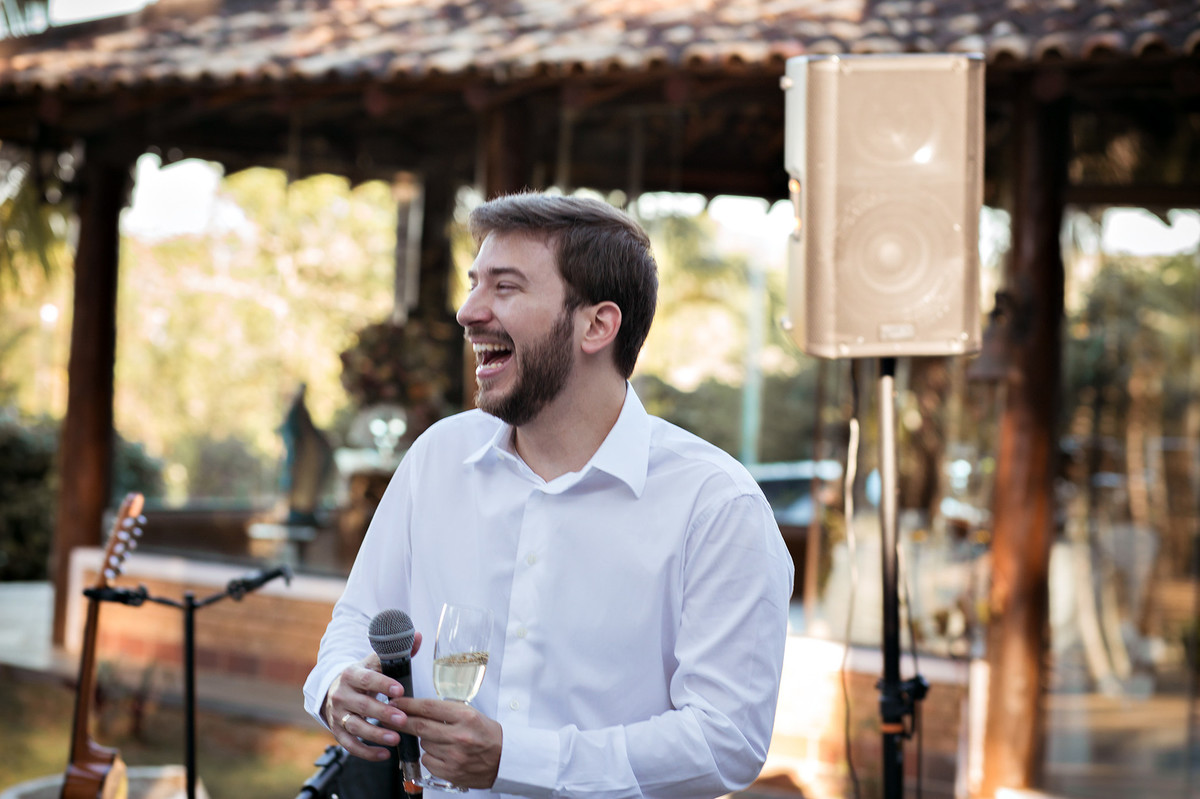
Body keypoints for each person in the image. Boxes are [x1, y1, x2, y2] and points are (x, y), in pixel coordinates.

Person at [303, 192, 794, 798]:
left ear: (597, 324)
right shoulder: (437, 458)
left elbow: (725, 741)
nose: (467, 312)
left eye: (504, 288)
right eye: (474, 283)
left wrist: (516, 759)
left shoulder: (716, 507)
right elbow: (359, 620)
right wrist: (336, 686)